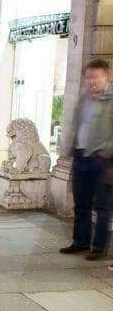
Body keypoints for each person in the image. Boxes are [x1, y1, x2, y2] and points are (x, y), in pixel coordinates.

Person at [59, 58, 113, 260]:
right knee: (81, 204)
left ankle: (98, 247)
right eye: (89, 77)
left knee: (102, 207)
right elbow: (77, 126)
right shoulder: (84, 99)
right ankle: (80, 242)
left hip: (102, 160)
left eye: (97, 76)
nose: (92, 81)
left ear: (105, 77)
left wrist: (106, 151)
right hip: (81, 157)